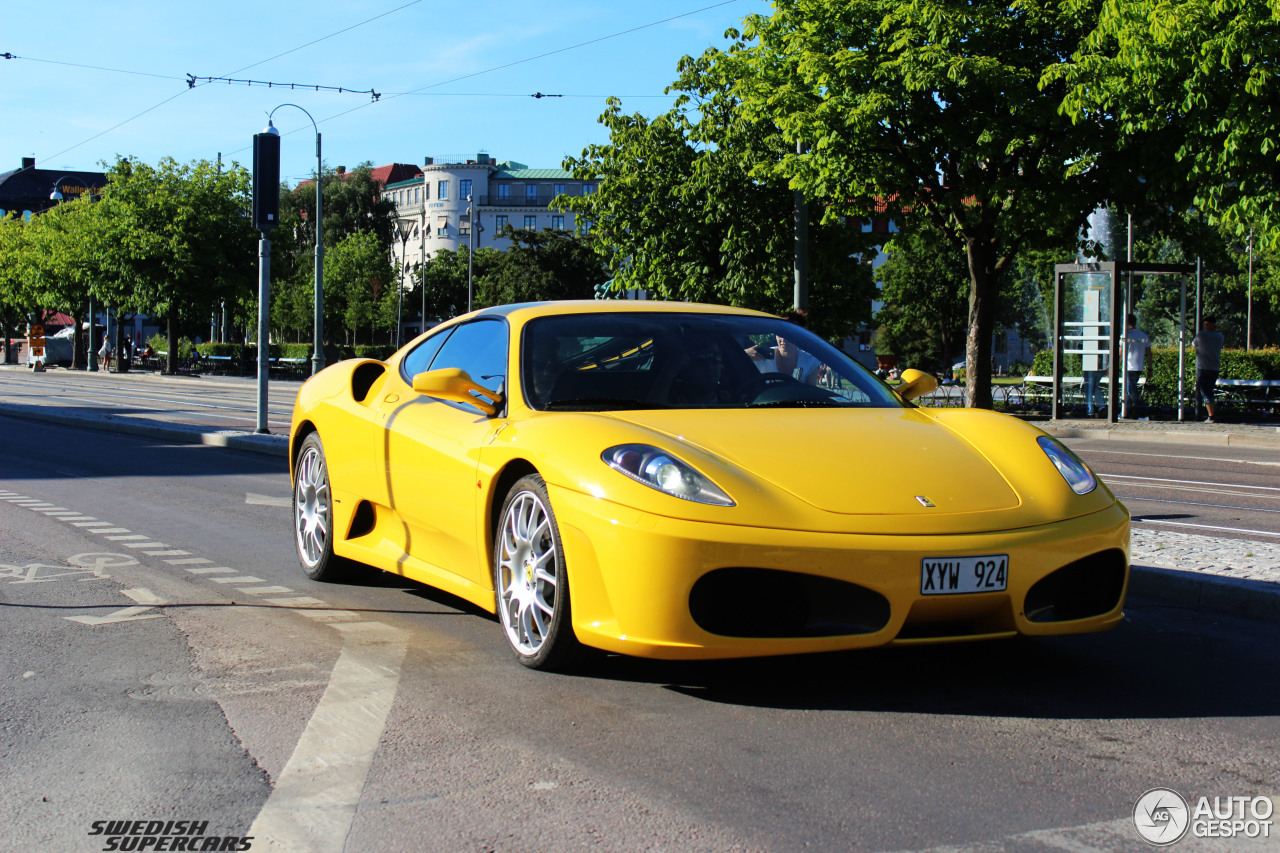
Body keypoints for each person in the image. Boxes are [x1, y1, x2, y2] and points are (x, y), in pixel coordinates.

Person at [746, 309, 822, 385]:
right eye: (780, 333)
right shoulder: (761, 357)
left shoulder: (809, 362)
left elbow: (811, 393)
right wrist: (743, 355)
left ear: (800, 336)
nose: (783, 339)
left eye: (789, 334)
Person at [1192, 315, 1225, 423]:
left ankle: (1211, 416)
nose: (1205, 326)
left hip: (1203, 368)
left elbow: (1194, 345)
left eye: (1206, 324)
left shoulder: (1201, 334)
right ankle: (1209, 414)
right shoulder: (1220, 336)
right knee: (1208, 389)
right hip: (1215, 368)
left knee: (1205, 391)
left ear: (1211, 324)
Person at [1122, 313, 1152, 417]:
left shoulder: (1125, 336)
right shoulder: (1143, 336)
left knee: (1132, 392)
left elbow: (1120, 353)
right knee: (1130, 390)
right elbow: (1149, 353)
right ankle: (1126, 412)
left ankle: (1142, 413)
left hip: (1128, 367)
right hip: (1139, 367)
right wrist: (1150, 368)